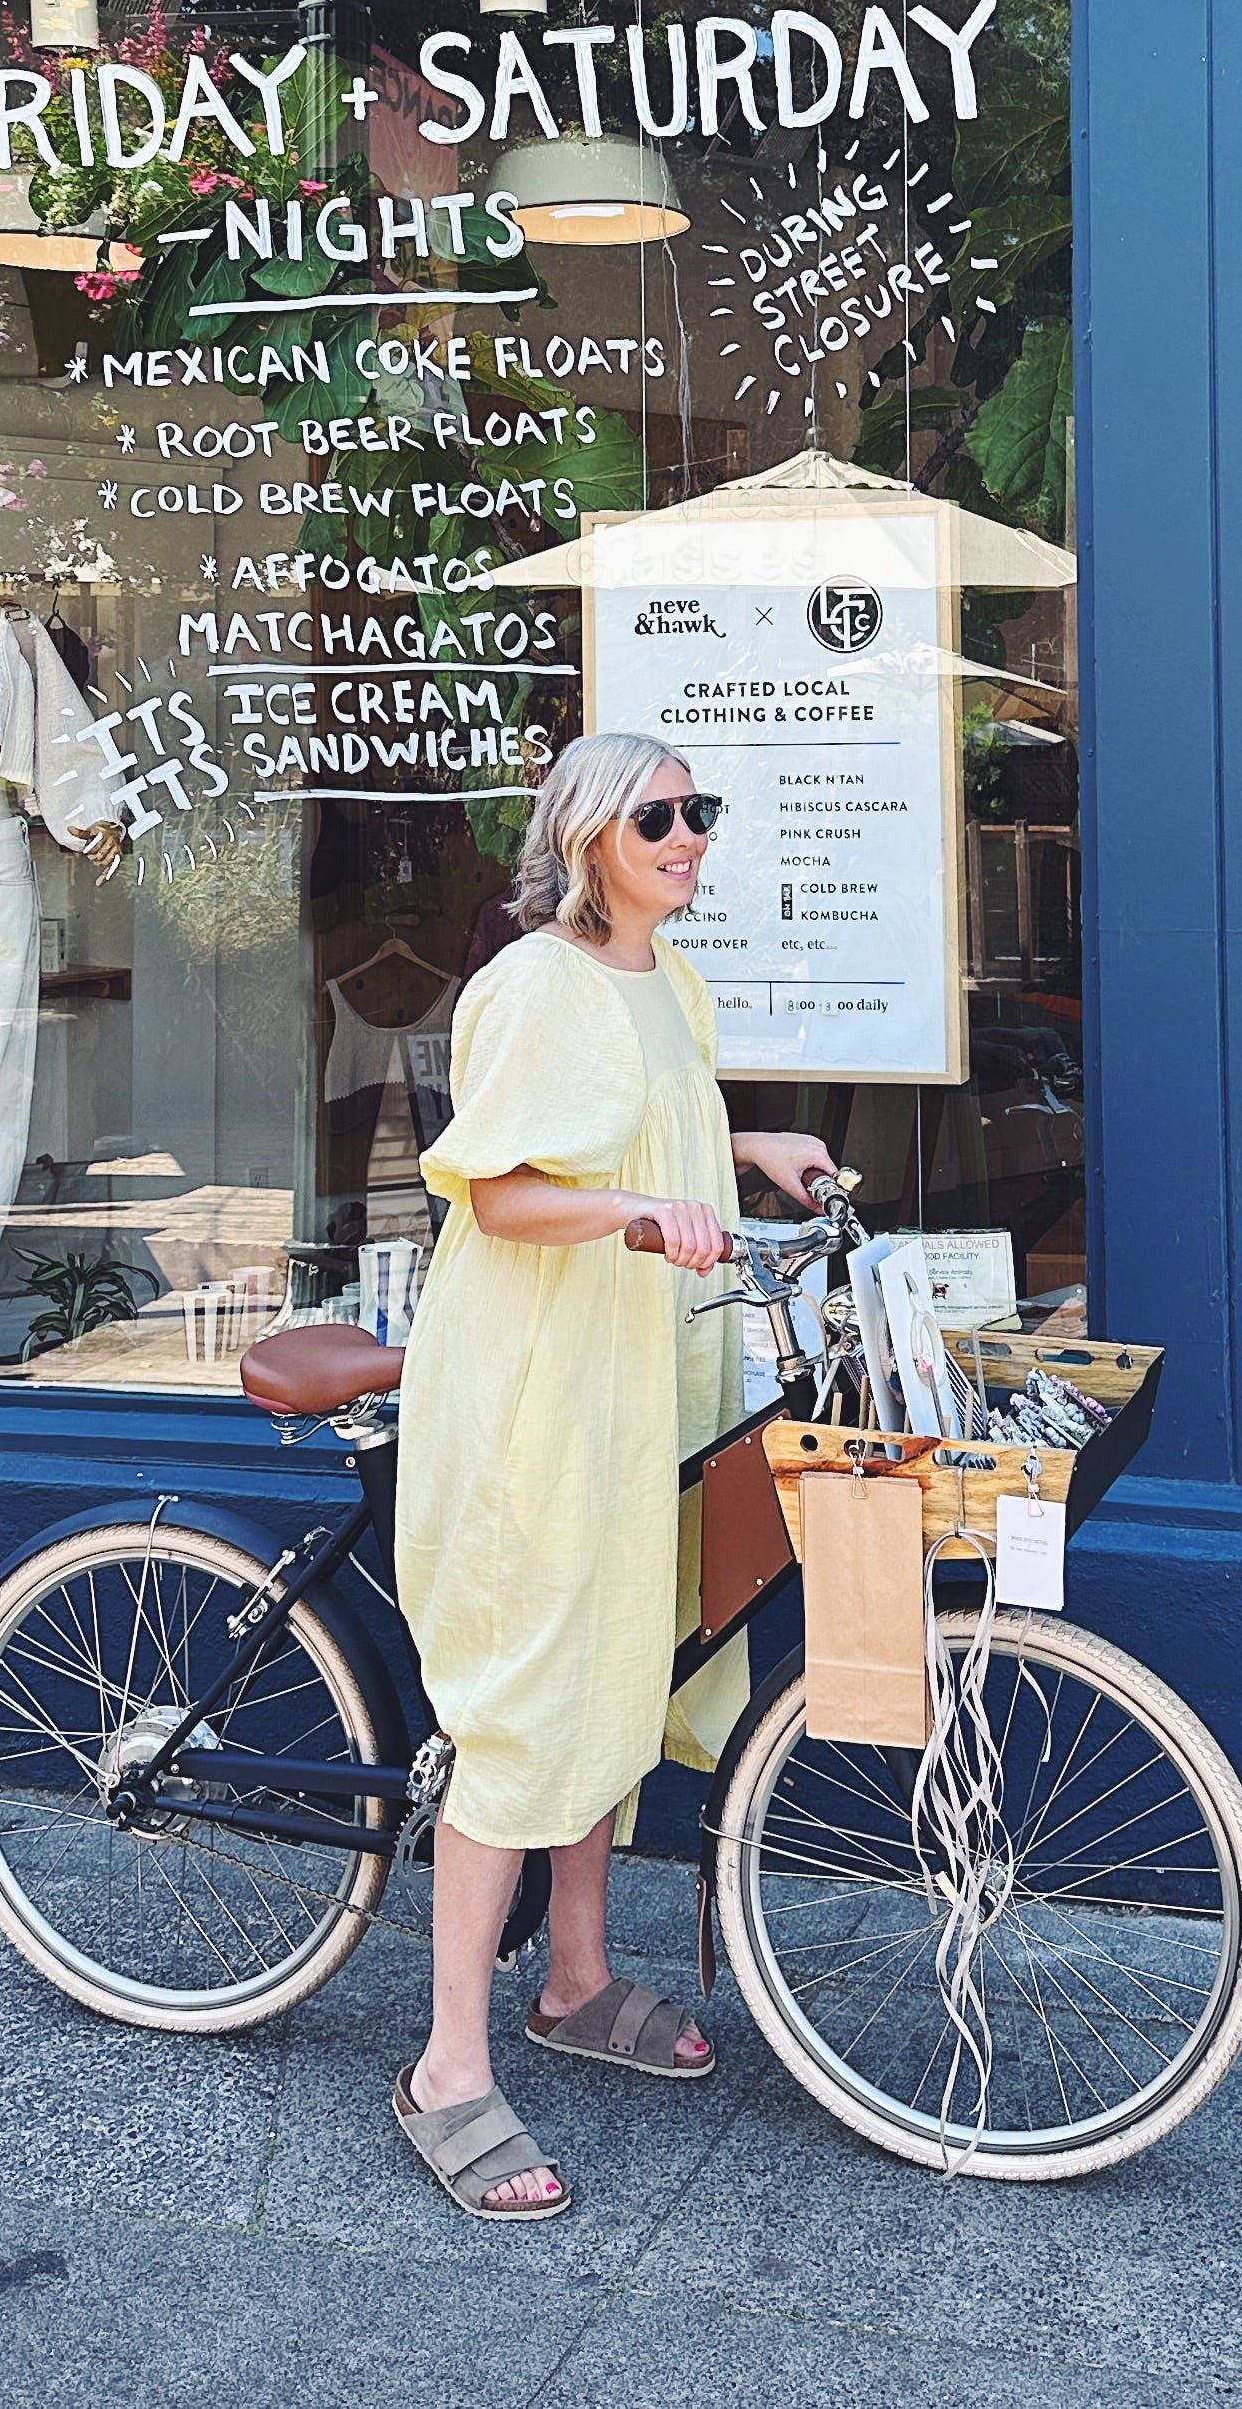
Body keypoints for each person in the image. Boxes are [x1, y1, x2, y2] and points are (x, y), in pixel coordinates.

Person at [388, 731, 831, 2221]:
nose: (689, 834)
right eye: (658, 817)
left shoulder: (664, 978)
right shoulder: (532, 981)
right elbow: (503, 1189)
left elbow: (647, 1123)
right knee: (526, 1700)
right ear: (586, 838)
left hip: (642, 1374)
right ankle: (448, 2065)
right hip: (543, 1382)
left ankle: (573, 1977)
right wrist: (640, 1210)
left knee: (620, 1667)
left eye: (699, 810)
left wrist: (749, 1146)